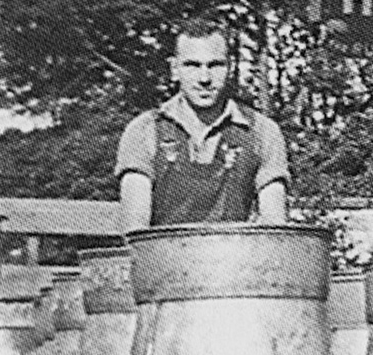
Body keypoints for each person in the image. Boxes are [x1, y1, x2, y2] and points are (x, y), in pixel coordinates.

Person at [115, 18, 290, 230]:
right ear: (174, 69)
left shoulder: (262, 131)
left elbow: (275, 226)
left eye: (215, 65)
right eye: (192, 65)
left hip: (233, 259)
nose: (204, 78)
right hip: (163, 259)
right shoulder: (145, 130)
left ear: (230, 68)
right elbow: (135, 231)